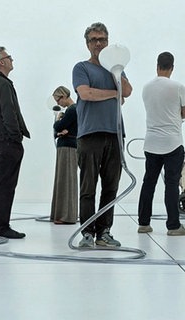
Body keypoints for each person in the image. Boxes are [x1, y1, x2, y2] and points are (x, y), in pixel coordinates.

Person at [72, 22, 133, 248]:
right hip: (90, 134)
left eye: (103, 39)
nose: (98, 43)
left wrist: (117, 72)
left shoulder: (115, 68)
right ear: (87, 44)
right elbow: (86, 93)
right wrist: (113, 94)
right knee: (88, 187)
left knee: (111, 186)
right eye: (94, 39)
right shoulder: (81, 68)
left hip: (115, 134)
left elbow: (127, 91)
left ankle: (104, 232)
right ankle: (87, 233)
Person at [137, 52, 185, 236]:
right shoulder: (178, 87)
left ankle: (144, 223)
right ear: (172, 67)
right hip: (172, 142)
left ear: (157, 65)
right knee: (171, 184)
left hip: (151, 142)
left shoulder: (146, 88)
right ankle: (173, 226)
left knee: (148, 183)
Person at [0, 46, 30, 239]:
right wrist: (15, 136)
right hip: (7, 141)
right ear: (1, 62)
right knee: (5, 185)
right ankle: (1, 226)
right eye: (8, 57)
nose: (12, 59)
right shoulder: (2, 84)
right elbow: (8, 112)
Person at [50, 86, 78, 224]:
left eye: (58, 99)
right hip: (67, 146)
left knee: (66, 180)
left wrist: (60, 123)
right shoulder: (71, 110)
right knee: (64, 179)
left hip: (68, 147)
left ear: (64, 96)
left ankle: (66, 215)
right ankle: (62, 214)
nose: (58, 103)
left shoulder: (72, 110)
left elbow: (58, 127)